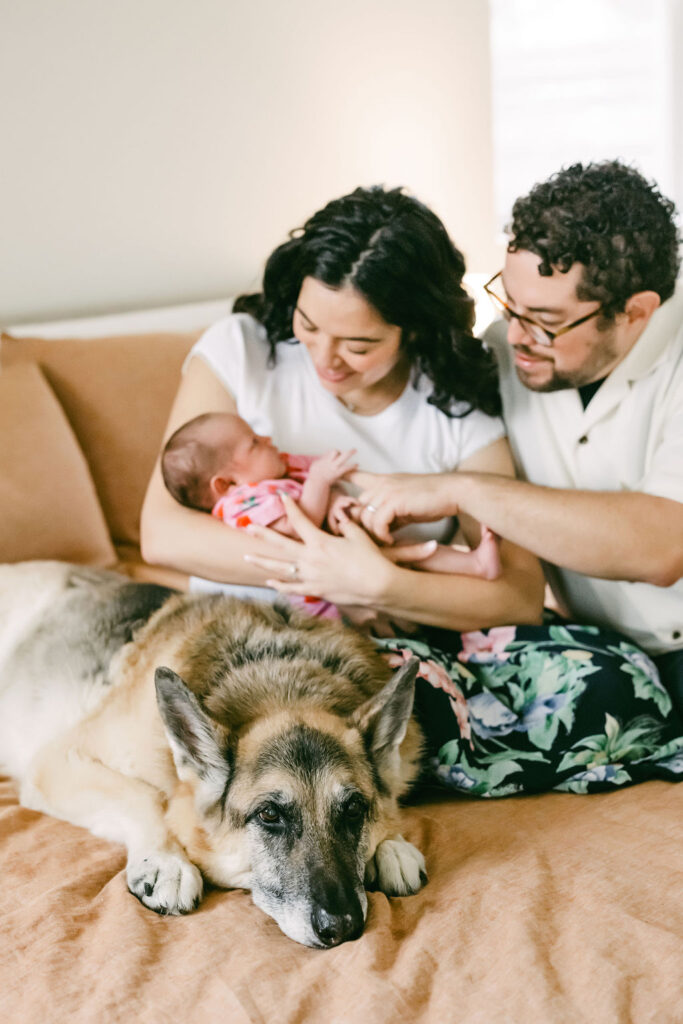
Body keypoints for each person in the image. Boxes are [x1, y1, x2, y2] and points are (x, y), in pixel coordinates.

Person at [141, 182, 682, 798]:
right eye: (309, 324)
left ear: (414, 331)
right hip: (246, 638)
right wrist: (324, 565)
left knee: (607, 687)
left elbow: (518, 592)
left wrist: (381, 583)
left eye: (360, 343)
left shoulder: (459, 403)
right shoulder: (243, 351)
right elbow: (162, 532)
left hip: (396, 641)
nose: (325, 360)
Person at [159, 410, 502, 588]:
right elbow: (298, 529)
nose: (265, 437)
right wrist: (322, 481)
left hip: (347, 544)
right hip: (333, 579)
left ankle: (474, 565)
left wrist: (336, 497)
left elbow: (312, 485)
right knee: (411, 554)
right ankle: (474, 566)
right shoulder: (242, 506)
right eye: (253, 443)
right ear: (226, 483)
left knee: (412, 548)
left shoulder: (270, 480)